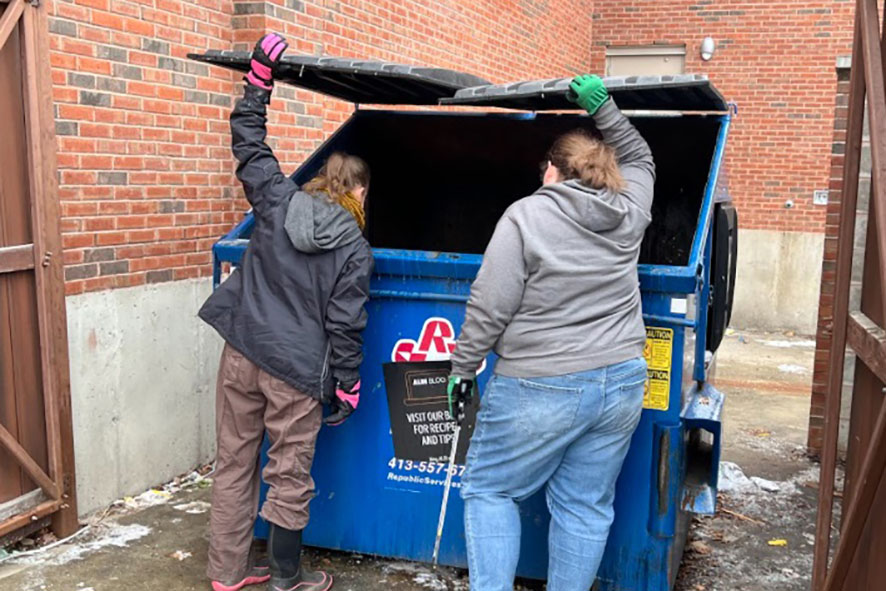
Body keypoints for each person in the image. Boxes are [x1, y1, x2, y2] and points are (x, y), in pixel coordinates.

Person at [447, 74, 655, 591]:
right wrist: (604, 108)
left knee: (490, 490)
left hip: (541, 381)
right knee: (585, 505)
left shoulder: (526, 215)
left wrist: (461, 367)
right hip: (624, 380)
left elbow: (491, 304)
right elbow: (642, 158)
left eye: (544, 168)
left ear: (554, 170)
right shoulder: (630, 210)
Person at [198, 33, 373, 591]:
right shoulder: (354, 247)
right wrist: (347, 385)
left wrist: (257, 84)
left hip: (242, 351)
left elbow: (249, 146)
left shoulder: (277, 199)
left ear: (321, 179)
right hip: (295, 374)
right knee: (288, 474)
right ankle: (285, 578)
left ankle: (226, 575)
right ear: (361, 194)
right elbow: (345, 324)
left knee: (233, 463)